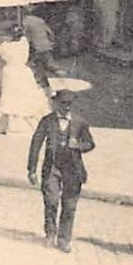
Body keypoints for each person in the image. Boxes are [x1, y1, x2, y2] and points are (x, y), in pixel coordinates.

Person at [28, 89, 96, 252]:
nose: (66, 107)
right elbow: (36, 143)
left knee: (70, 205)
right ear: (56, 104)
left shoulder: (80, 122)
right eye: (63, 103)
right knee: (51, 200)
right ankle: (50, 233)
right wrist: (32, 169)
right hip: (52, 168)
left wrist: (78, 146)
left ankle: (64, 238)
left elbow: (90, 143)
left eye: (69, 104)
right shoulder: (47, 121)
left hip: (72, 169)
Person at [0, 26, 47, 136]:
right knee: (25, 97)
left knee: (8, 99)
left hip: (10, 73)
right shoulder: (24, 43)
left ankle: (0, 126)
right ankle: (31, 125)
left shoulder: (6, 47)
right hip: (24, 72)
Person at [22, 12, 56, 89]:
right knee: (48, 66)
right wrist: (52, 42)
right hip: (46, 45)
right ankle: (51, 86)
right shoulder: (40, 20)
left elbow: (27, 36)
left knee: (37, 66)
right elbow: (50, 32)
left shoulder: (25, 22)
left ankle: (41, 85)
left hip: (36, 47)